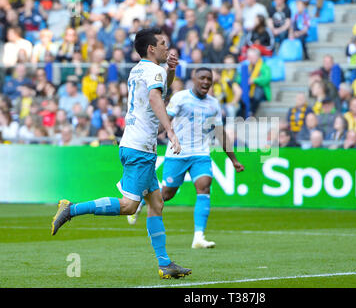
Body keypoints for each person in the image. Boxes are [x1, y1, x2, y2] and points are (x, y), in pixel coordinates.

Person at [50, 28, 192, 280]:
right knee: (129, 206)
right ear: (151, 48)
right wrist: (169, 130)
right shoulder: (153, 71)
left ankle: (165, 263)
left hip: (134, 144)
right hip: (139, 148)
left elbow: (159, 89)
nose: (166, 48)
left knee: (156, 204)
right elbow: (155, 97)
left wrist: (170, 71)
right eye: (162, 44)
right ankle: (71, 209)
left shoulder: (139, 69)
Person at [128, 67, 245, 249]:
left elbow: (220, 133)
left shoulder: (213, 104)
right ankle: (139, 202)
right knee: (167, 194)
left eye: (209, 79)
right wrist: (146, 137)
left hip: (200, 154)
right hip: (177, 153)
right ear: (194, 79)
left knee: (204, 186)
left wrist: (234, 159)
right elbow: (165, 120)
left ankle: (199, 236)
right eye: (202, 78)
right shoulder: (180, 98)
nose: (206, 82)